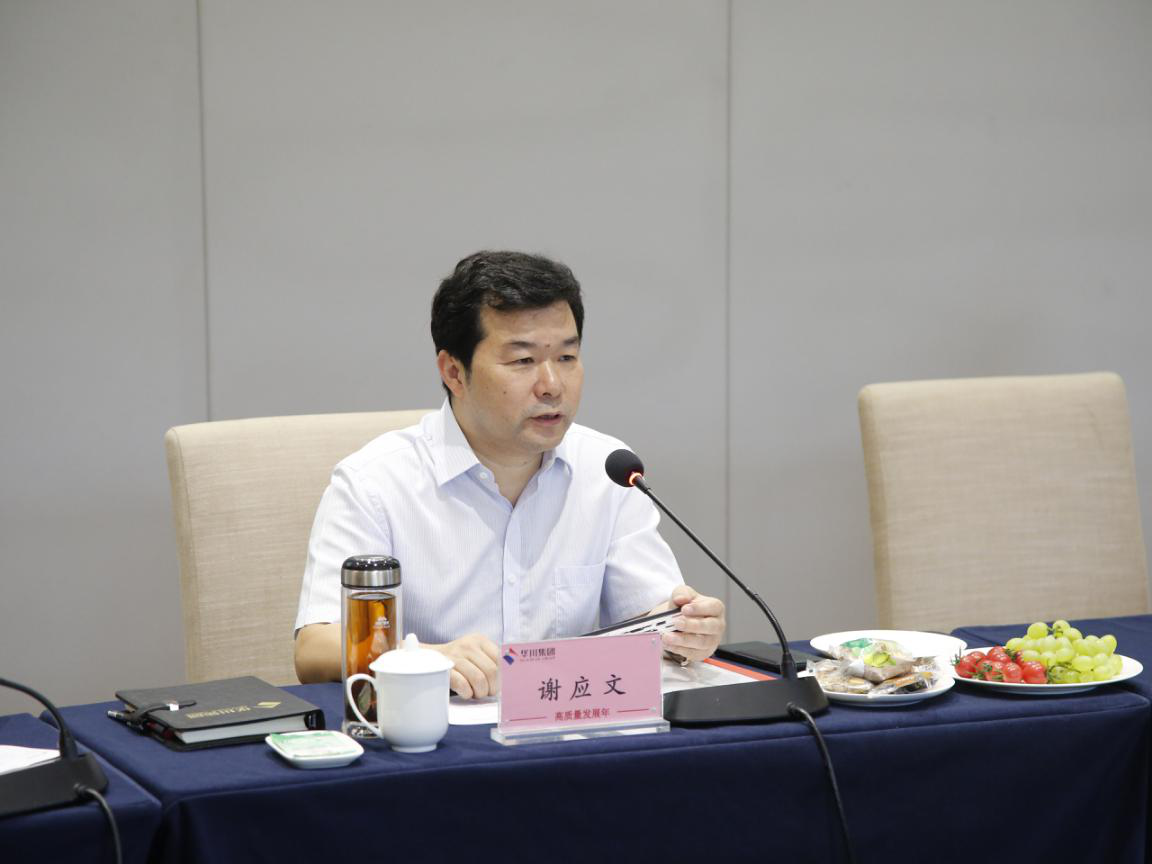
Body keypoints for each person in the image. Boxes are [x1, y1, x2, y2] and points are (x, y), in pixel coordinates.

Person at [293, 251, 725, 697]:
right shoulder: (374, 484)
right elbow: (315, 648)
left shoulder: (608, 469)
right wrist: (428, 657)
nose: (552, 385)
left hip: (570, 720)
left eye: (567, 356)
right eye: (522, 361)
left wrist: (684, 631)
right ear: (454, 372)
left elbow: (651, 618)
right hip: (438, 727)